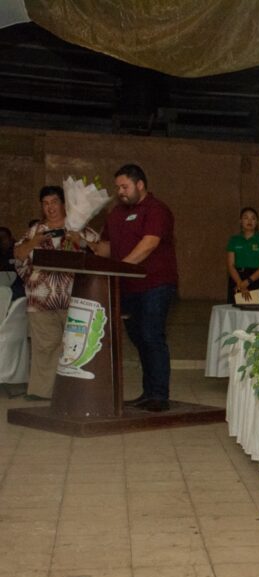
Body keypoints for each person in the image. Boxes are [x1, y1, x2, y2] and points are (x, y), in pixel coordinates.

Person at [93, 164, 178, 412]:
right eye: (118, 187)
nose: (120, 191)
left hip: (155, 284)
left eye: (125, 186)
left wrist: (121, 267)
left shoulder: (156, 209)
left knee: (152, 336)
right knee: (139, 338)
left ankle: (159, 395)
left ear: (140, 184)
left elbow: (149, 243)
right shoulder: (116, 214)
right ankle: (148, 393)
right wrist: (83, 242)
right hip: (128, 287)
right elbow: (105, 248)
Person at [12, 186, 97, 400]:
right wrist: (35, 241)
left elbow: (102, 252)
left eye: (54, 202)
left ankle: (76, 392)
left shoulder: (78, 226)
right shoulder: (36, 230)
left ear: (63, 204)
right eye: (45, 203)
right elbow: (18, 254)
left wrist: (80, 241)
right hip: (41, 299)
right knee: (44, 347)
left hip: (76, 299)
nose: (50, 207)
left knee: (75, 347)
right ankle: (41, 392)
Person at [226, 206, 259, 303]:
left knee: (258, 309)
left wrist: (248, 282)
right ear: (240, 221)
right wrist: (240, 283)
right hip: (237, 278)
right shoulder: (234, 240)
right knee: (235, 309)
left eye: (253, 218)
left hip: (257, 278)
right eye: (246, 218)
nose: (249, 221)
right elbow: (230, 265)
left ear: (257, 222)